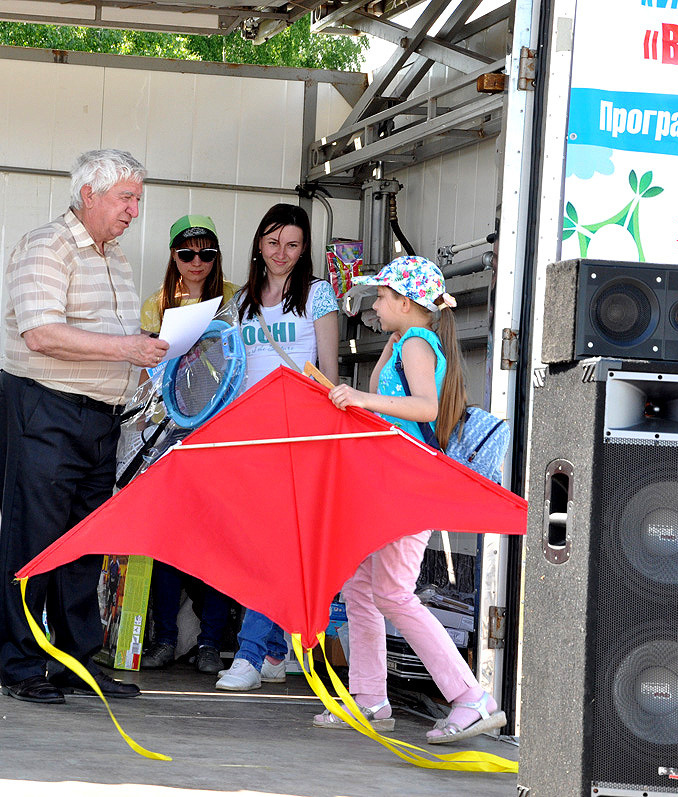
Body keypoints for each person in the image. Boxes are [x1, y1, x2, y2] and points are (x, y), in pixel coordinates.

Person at [0, 149, 169, 704]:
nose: (134, 210)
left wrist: (140, 366)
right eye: (126, 197)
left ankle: (74, 664)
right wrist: (129, 347)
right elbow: (41, 334)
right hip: (43, 410)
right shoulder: (47, 246)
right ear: (88, 194)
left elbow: (104, 342)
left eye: (138, 199)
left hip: (98, 418)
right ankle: (21, 667)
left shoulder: (113, 256)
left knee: (83, 546)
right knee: (34, 543)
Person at [318, 255, 506, 743]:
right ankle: (369, 698)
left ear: (405, 301)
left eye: (381, 297)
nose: (375, 305)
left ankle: (471, 698)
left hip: (407, 485)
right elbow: (391, 404)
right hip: (387, 485)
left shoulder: (419, 343)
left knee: (391, 592)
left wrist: (362, 400)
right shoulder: (405, 341)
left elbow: (424, 406)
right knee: (360, 586)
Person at [214, 202, 339, 691]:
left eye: (292, 244)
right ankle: (272, 652)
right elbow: (230, 371)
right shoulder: (241, 300)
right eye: (272, 243)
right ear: (258, 245)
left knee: (270, 547)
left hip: (297, 435)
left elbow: (328, 372)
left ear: (305, 247)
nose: (281, 253)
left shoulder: (318, 295)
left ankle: (247, 654)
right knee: (253, 546)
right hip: (247, 434)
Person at [140, 214, 238, 674]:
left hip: (224, 433)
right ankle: (165, 638)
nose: (197, 262)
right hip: (171, 434)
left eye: (207, 254)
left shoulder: (237, 297)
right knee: (166, 541)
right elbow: (146, 377)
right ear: (173, 257)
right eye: (186, 253)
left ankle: (211, 642)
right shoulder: (154, 305)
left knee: (218, 542)